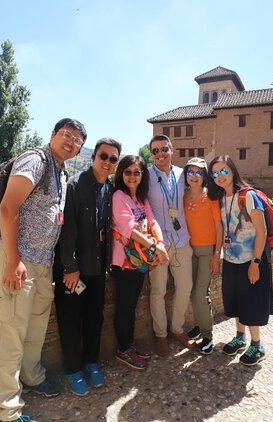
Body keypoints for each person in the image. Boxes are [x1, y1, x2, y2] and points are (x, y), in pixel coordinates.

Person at [0, 118, 87, 422]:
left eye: (77, 140)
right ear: (53, 135)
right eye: (66, 135)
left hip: (42, 263)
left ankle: (31, 378)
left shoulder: (61, 170)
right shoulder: (36, 159)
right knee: (10, 333)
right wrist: (13, 260)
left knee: (34, 330)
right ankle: (5, 409)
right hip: (19, 259)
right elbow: (8, 208)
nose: (71, 142)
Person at [53, 138, 121, 397]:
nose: (107, 162)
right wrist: (70, 267)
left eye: (113, 159)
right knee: (70, 321)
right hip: (73, 271)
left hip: (97, 270)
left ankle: (90, 362)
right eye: (104, 156)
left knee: (94, 318)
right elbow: (67, 231)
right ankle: (72, 370)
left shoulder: (109, 188)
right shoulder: (75, 186)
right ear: (94, 157)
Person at [207, 155, 273, 367]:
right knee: (236, 300)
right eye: (215, 173)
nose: (220, 176)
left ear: (233, 171)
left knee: (252, 302)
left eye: (224, 171)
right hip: (231, 259)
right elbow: (221, 229)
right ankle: (240, 337)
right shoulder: (220, 199)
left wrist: (255, 262)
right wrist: (217, 255)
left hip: (251, 259)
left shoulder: (248, 195)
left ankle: (257, 344)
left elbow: (261, 231)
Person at [111, 155, 169, 371]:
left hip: (139, 260)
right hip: (124, 262)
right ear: (121, 174)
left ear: (142, 175)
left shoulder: (141, 198)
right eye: (128, 172)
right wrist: (156, 248)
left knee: (132, 306)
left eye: (137, 172)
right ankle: (122, 350)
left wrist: (160, 242)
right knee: (124, 307)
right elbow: (129, 230)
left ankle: (129, 344)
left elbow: (152, 221)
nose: (132, 176)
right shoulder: (118, 196)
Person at [147, 135, 195, 356]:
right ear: (151, 154)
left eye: (164, 149)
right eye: (155, 151)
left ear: (172, 149)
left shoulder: (183, 174)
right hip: (160, 244)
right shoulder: (145, 175)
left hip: (182, 239)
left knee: (185, 287)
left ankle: (177, 329)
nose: (160, 154)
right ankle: (160, 335)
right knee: (158, 291)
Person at [182, 157, 223, 355]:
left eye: (199, 172)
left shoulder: (211, 197)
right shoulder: (182, 196)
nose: (194, 176)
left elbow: (218, 226)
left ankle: (207, 336)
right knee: (194, 293)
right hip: (189, 251)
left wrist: (217, 254)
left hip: (207, 251)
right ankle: (200, 324)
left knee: (200, 294)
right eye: (190, 172)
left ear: (205, 176)